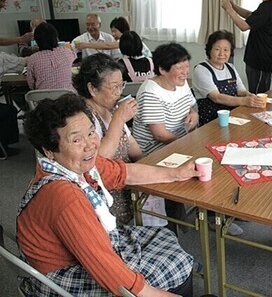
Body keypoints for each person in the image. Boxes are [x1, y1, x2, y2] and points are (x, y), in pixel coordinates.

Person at [18, 93, 200, 296]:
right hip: (61, 276)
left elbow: (125, 172)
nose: (90, 144)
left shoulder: (75, 166)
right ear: (49, 150)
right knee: (176, 266)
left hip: (81, 251)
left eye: (90, 132)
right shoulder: (64, 194)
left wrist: (176, 173)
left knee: (164, 236)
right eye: (76, 139)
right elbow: (104, 266)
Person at [73, 53, 143, 225]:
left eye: (121, 86)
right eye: (114, 87)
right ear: (93, 89)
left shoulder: (110, 108)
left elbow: (133, 147)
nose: (119, 93)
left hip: (127, 183)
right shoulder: (85, 117)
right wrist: (118, 119)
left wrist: (149, 165)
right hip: (105, 198)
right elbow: (98, 163)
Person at [133, 43, 198, 155]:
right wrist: (187, 145)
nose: (185, 72)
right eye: (179, 67)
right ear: (162, 70)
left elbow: (190, 107)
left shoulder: (181, 82)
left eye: (187, 66)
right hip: (156, 150)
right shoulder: (150, 92)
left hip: (180, 141)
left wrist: (194, 114)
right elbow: (160, 135)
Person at [221, 0, 272, 94]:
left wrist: (229, 10)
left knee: (258, 95)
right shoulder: (268, 6)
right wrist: (233, 5)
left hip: (260, 61)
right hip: (257, 59)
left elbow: (244, 26)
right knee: (256, 93)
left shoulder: (268, 7)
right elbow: (250, 15)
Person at [192, 30, 263, 126]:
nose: (222, 53)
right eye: (217, 49)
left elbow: (240, 91)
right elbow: (216, 97)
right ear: (209, 50)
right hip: (212, 123)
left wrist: (249, 95)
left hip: (234, 117)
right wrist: (244, 101)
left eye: (226, 50)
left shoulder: (230, 67)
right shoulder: (201, 70)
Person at [26, 22, 77, 90]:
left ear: (36, 40)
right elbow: (74, 56)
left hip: (43, 99)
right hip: (68, 97)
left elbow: (31, 85)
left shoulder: (32, 59)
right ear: (56, 37)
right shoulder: (67, 52)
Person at [75, 16, 152, 58]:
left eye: (115, 31)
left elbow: (107, 45)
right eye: (112, 31)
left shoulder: (127, 40)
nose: (113, 34)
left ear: (122, 29)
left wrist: (86, 45)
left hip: (146, 64)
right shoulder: (128, 37)